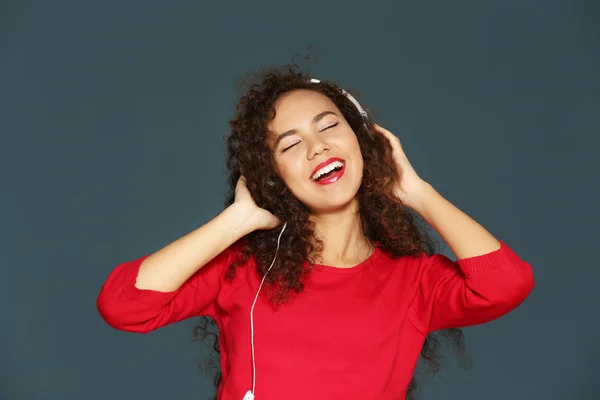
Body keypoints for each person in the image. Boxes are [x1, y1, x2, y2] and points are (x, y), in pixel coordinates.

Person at [96, 65, 535, 400]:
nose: (317, 147)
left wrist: (417, 192)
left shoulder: (414, 282)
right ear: (272, 176)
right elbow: (123, 306)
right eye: (290, 144)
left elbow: (506, 283)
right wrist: (239, 218)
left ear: (364, 139)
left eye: (329, 126)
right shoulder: (242, 269)